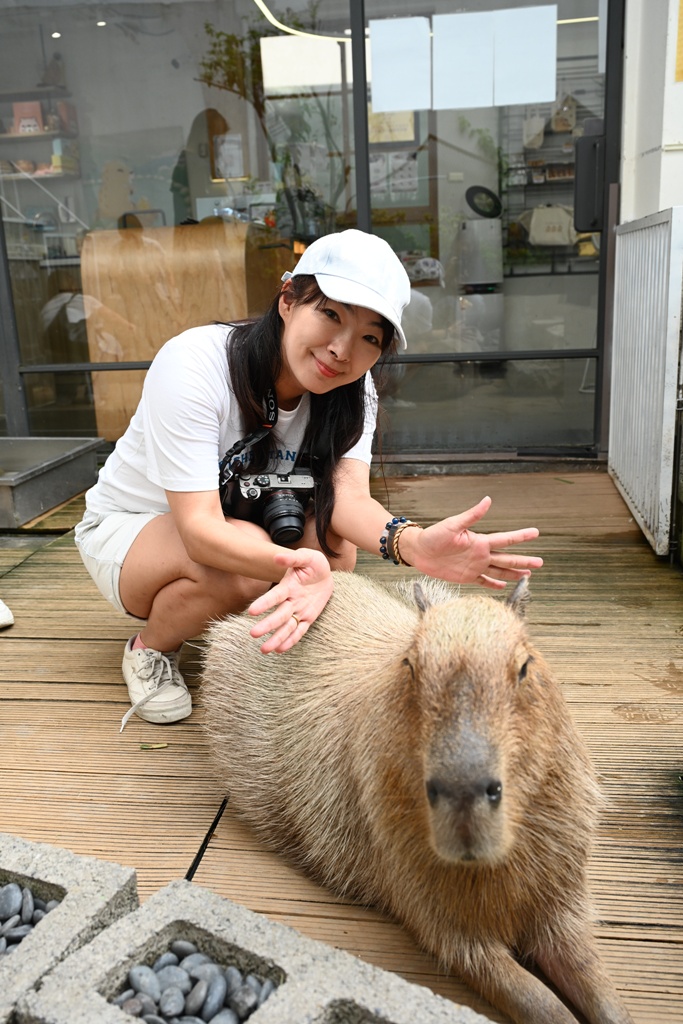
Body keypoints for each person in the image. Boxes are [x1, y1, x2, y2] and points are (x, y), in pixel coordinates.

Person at [74, 229, 543, 731]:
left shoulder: (352, 390)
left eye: (369, 337)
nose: (342, 350)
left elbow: (348, 501)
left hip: (239, 514)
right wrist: (296, 563)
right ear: (288, 299)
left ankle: (258, 639)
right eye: (331, 314)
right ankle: (150, 648)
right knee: (256, 567)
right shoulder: (194, 364)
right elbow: (198, 528)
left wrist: (414, 544)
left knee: (336, 552)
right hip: (132, 530)